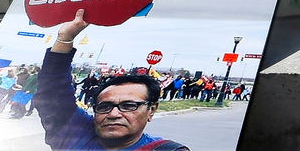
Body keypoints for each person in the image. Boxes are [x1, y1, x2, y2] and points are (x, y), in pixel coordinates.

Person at [34, 9, 189, 150]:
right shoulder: (75, 135)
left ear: (151, 110)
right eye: (104, 106)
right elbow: (52, 92)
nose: (114, 114)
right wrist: (65, 38)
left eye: (129, 105)